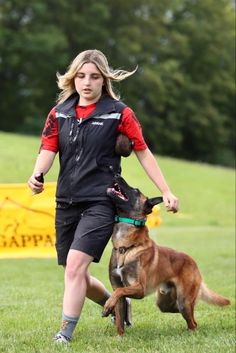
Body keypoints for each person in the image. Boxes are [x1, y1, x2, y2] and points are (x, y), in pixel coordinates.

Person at [28, 49, 179, 344]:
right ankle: (117, 304)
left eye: (94, 77)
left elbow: (143, 152)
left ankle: (64, 334)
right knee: (77, 276)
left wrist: (166, 190)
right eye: (81, 76)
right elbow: (48, 148)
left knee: (75, 267)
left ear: (104, 80)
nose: (87, 83)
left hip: (100, 201)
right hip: (66, 201)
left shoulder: (120, 112)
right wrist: (37, 175)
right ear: (73, 78)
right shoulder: (59, 113)